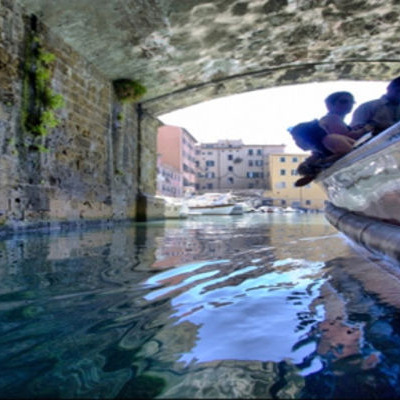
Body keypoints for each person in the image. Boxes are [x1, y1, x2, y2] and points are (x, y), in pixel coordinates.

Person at [319, 91, 372, 156]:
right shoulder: (331, 118)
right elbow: (346, 136)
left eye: (352, 102)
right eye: (343, 102)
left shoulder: (335, 119)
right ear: (330, 105)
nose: (349, 104)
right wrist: (365, 129)